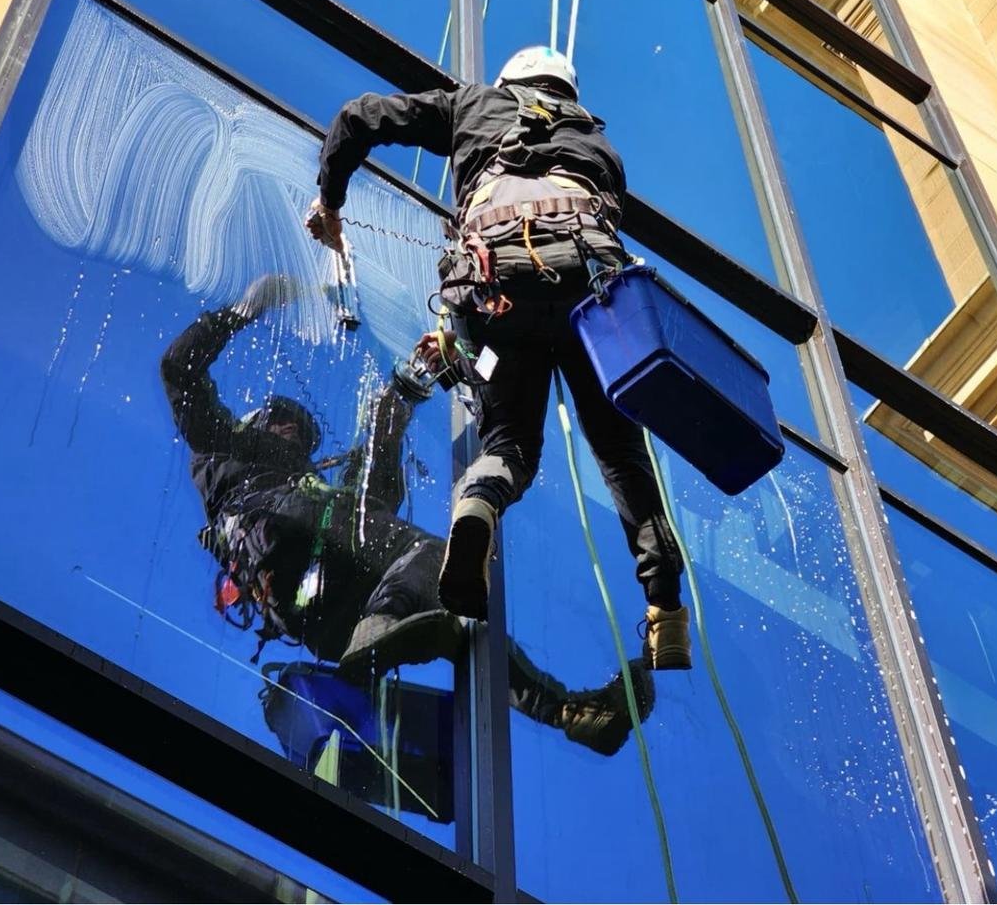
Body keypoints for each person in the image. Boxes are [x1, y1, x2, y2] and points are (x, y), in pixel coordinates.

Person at [306, 47, 691, 671]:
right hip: (591, 292)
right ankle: (665, 608)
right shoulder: (600, 147)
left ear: (508, 80)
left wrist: (330, 202)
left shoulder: (472, 105)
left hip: (494, 287)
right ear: (566, 91)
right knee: (621, 455)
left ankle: (477, 506)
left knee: (510, 443)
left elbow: (360, 116)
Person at [160, 273, 655, 756]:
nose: (294, 432)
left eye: (303, 432)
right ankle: (379, 634)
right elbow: (179, 369)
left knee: (460, 607)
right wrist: (243, 311)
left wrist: (406, 386)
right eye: (282, 421)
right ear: (254, 423)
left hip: (328, 610)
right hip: (292, 549)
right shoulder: (225, 454)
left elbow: (374, 478)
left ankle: (565, 712)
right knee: (442, 562)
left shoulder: (320, 498)